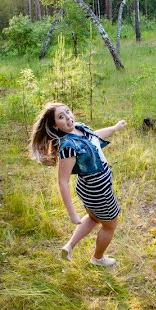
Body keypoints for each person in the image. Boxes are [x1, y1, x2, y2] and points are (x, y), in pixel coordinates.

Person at [29, 102, 126, 266]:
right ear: (54, 125)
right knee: (110, 225)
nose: (68, 117)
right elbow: (63, 181)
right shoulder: (68, 146)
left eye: (67, 112)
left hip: (90, 188)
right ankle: (98, 259)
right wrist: (72, 213)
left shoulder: (79, 128)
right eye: (61, 117)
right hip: (98, 191)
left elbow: (95, 136)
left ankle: (69, 246)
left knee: (94, 218)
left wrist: (115, 128)